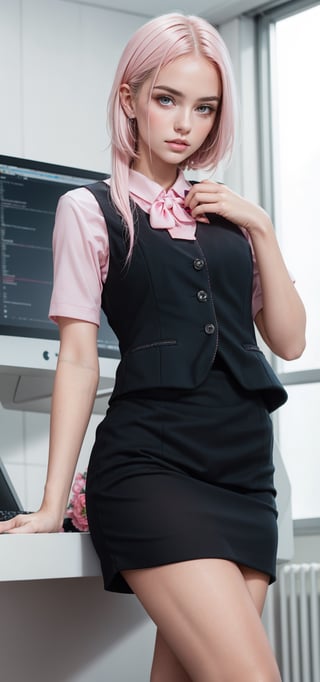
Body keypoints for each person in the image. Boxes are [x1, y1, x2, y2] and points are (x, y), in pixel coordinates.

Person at [0, 12, 306, 682]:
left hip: (246, 477)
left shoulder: (230, 219)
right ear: (129, 99)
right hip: (153, 469)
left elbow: (288, 337)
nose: (183, 124)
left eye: (204, 108)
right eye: (166, 99)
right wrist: (52, 505)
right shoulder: (88, 209)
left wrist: (262, 227)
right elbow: (79, 358)